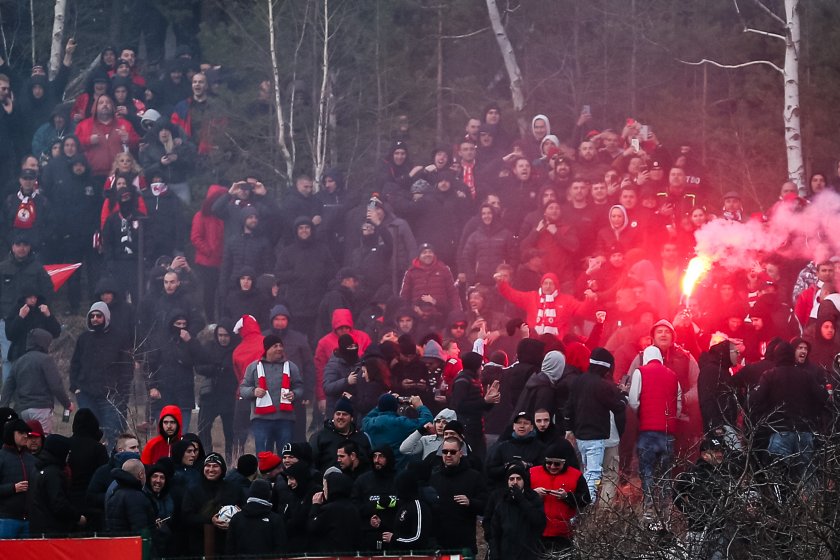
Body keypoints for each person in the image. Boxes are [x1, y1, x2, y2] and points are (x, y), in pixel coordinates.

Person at [628, 345, 683, 518]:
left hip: (648, 431)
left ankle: (649, 509)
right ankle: (666, 509)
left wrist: (641, 415)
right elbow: (679, 402)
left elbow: (633, 400)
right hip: (668, 432)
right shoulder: (673, 375)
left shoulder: (640, 372)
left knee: (648, 471)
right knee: (666, 473)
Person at [566, 347, 627, 504]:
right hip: (596, 436)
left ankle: (579, 510)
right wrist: (624, 395)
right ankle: (585, 512)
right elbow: (618, 406)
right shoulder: (602, 385)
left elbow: (569, 407)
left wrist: (569, 429)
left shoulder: (578, 381)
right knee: (593, 476)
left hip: (580, 437)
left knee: (585, 472)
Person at [239, 334, 304, 454]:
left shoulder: (291, 367)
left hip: (285, 419)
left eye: (281, 346)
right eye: (275, 346)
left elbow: (299, 387)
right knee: (264, 456)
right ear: (267, 349)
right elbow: (243, 388)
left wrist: (294, 394)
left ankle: (284, 473)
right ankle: (264, 473)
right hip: (261, 420)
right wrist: (253, 391)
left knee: (286, 456)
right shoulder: (253, 367)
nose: (279, 348)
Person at [0, 328, 72, 434]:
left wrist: (3, 409)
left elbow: (8, 388)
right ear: (44, 343)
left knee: (25, 441)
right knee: (40, 442)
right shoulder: (46, 360)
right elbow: (56, 386)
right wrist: (67, 404)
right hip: (41, 408)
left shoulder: (19, 362)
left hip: (22, 410)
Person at [428, 437, 487, 555]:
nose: (448, 455)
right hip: (438, 545)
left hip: (464, 544)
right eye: (445, 451)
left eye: (452, 452)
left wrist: (470, 502)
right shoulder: (433, 478)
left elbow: (486, 506)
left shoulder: (474, 477)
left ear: (460, 453)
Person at [529, 440, 590, 553]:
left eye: (557, 464)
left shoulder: (576, 475)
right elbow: (518, 496)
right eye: (549, 463)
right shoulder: (532, 473)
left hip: (562, 534)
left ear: (564, 462)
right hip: (536, 531)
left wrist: (567, 496)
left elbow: (585, 500)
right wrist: (533, 494)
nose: (552, 467)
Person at [181, 453, 244, 557]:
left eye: (215, 466)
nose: (211, 469)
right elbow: (186, 516)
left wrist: (237, 517)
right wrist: (210, 520)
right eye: (208, 465)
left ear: (222, 469)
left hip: (227, 544)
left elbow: (243, 509)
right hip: (200, 545)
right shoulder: (193, 490)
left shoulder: (233, 489)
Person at [29, 434, 87, 535]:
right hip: (52, 531)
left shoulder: (37, 468)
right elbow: (59, 504)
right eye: (68, 452)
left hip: (37, 528)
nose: (69, 455)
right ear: (60, 451)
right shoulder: (53, 473)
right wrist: (77, 517)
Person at [196, 322, 238, 461]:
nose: (223, 338)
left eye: (226, 335)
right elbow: (199, 367)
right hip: (210, 394)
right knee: (203, 428)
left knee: (231, 433)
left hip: (230, 395)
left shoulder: (236, 349)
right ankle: (207, 458)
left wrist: (227, 369)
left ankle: (230, 461)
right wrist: (215, 368)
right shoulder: (208, 347)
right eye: (220, 335)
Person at [488, 462, 547, 560]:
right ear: (507, 481)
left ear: (524, 480)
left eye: (518, 479)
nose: (515, 482)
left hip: (529, 553)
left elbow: (539, 522)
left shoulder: (533, 498)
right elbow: (495, 532)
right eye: (511, 479)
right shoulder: (502, 500)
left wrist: (521, 500)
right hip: (507, 553)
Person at [362, 393, 433, 469]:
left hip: (379, 467)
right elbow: (427, 421)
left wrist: (383, 402)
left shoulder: (368, 423)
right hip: (399, 468)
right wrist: (419, 406)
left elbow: (367, 417)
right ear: (396, 407)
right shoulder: (400, 422)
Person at [351, 445, 397, 551]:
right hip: (368, 534)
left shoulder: (398, 479)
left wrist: (383, 507)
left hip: (392, 534)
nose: (377, 460)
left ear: (388, 458)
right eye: (374, 456)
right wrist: (370, 516)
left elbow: (403, 504)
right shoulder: (362, 480)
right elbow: (355, 505)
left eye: (381, 456)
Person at [309, 397, 372, 473]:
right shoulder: (320, 437)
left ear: (351, 418)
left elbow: (369, 464)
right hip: (328, 482)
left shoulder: (362, 438)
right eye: (338, 414)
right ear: (333, 416)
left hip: (356, 483)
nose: (340, 417)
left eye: (344, 414)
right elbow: (311, 464)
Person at [226, 478, 287, 556]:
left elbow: (230, 548)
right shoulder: (275, 519)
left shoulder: (236, 518)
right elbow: (281, 548)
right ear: (269, 494)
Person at [0, 418, 36, 537]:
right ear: (11, 434)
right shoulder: (1, 457)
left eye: (26, 433)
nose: (26, 436)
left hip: (29, 519)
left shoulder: (32, 459)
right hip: (6, 519)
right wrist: (13, 488)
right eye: (21, 433)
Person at [104, 458, 155, 535]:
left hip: (116, 544)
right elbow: (141, 531)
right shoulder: (137, 497)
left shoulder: (114, 493)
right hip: (133, 545)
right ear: (141, 475)